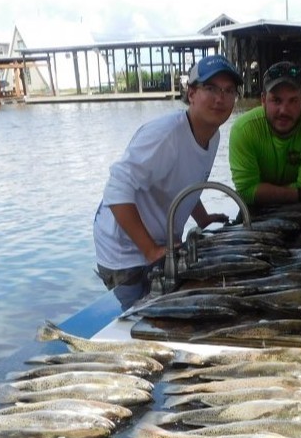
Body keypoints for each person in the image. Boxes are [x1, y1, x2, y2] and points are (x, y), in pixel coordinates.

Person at [93, 54, 243, 309]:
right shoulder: (165, 134)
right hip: (125, 253)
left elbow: (186, 183)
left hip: (159, 242)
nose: (221, 98)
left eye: (229, 91)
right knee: (141, 318)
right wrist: (150, 250)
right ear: (192, 93)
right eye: (211, 88)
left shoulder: (212, 134)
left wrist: (203, 219)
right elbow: (116, 191)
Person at [228, 60, 301, 209]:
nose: (284, 110)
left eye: (293, 101)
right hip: (257, 215)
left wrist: (263, 192)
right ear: (263, 100)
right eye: (276, 100)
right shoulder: (243, 129)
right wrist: (299, 193)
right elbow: (245, 192)